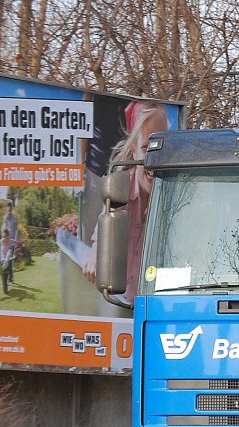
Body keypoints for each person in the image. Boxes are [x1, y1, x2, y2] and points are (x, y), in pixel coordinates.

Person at [84, 100, 169, 302]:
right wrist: (96, 254)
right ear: (133, 148)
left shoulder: (173, 197)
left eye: (161, 147)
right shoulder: (120, 187)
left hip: (148, 306)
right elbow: (103, 228)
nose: (154, 160)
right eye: (147, 148)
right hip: (119, 305)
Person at [0, 228, 15, 294]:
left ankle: (9, 280)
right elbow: (0, 250)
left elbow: (14, 245)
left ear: (8, 236)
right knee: (4, 275)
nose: (4, 238)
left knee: (7, 273)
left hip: (8, 260)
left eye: (5, 236)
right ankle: (5, 289)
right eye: (3, 236)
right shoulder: (1, 241)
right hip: (2, 260)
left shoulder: (10, 241)